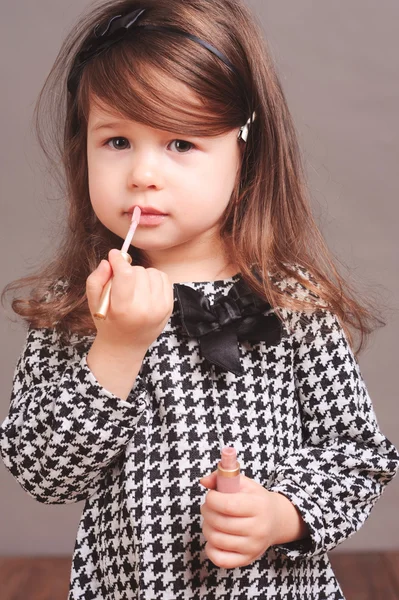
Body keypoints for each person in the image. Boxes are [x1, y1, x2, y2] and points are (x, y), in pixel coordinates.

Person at [1, 0, 398, 598]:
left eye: (181, 143)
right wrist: (117, 347)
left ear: (245, 152)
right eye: (116, 141)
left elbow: (356, 453)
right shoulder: (81, 306)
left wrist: (282, 515)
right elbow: (45, 474)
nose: (142, 174)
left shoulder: (292, 301)